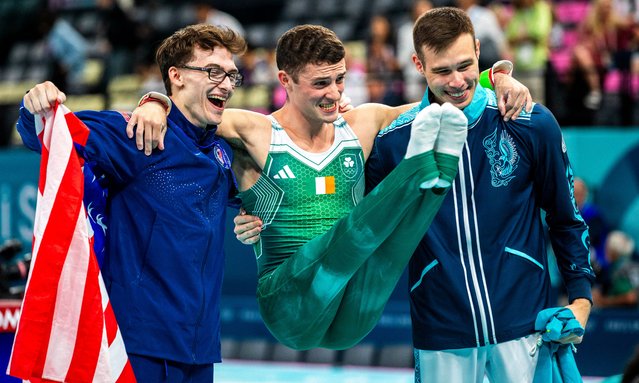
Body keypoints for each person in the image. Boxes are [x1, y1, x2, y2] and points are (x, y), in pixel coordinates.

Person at [131, 24, 532, 351]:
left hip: (350, 316)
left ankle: (433, 172)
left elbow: (448, 93)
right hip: (289, 306)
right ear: (285, 80)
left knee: (396, 244)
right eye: (321, 83)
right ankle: (418, 168)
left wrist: (494, 78)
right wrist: (153, 101)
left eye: (340, 79)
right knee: (358, 234)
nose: (336, 93)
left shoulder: (363, 122)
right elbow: (191, 108)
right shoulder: (253, 131)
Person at [362, 8, 594, 382]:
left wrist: (581, 299)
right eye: (441, 71)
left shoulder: (530, 123)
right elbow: (358, 225)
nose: (457, 81)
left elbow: (566, 218)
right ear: (417, 64)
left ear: (479, 49)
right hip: (441, 332)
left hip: (524, 323)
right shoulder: (393, 144)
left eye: (465, 65)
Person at [16, 24, 247, 382]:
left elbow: (259, 194)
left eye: (233, 75)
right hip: (140, 345)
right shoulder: (137, 135)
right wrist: (36, 103)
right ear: (177, 76)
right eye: (214, 72)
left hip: (201, 349)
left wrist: (254, 218)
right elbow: (47, 134)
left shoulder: (220, 153)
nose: (228, 84)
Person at [593, 230, 639, 308]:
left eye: (607, 247)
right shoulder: (607, 269)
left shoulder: (630, 267)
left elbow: (631, 297)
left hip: (630, 316)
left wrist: (605, 302)